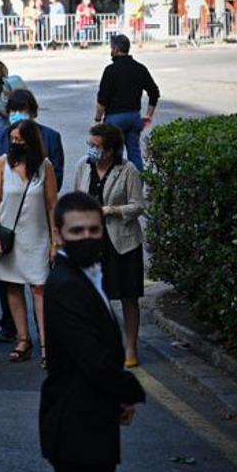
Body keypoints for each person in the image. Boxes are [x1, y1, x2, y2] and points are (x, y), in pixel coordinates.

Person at [40, 191, 146, 472]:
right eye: (77, 231)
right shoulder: (66, 285)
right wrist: (129, 391)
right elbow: (92, 357)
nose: (86, 237)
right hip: (76, 429)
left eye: (93, 229)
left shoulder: (87, 274)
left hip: (95, 420)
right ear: (59, 235)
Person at [0, 119, 59, 366]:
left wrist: (54, 240)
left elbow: (52, 205)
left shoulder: (45, 167)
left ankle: (47, 345)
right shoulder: (2, 164)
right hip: (9, 236)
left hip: (37, 236)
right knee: (13, 287)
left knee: (39, 289)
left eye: (20, 139)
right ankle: (23, 340)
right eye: (13, 139)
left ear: (32, 141)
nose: (15, 144)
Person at [73, 123, 146, 367]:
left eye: (96, 146)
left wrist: (112, 210)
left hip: (121, 242)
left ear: (112, 149)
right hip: (90, 241)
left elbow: (138, 206)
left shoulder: (127, 170)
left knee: (128, 296)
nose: (91, 150)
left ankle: (130, 347)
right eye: (89, 145)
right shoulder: (83, 166)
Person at [94, 35, 160, 172]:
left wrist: (97, 119)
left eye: (112, 48)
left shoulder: (110, 70)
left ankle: (115, 187)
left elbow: (102, 99)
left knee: (113, 156)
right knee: (135, 154)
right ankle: (137, 187)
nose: (111, 51)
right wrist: (148, 115)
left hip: (114, 119)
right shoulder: (140, 68)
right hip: (134, 117)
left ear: (116, 49)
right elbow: (154, 92)